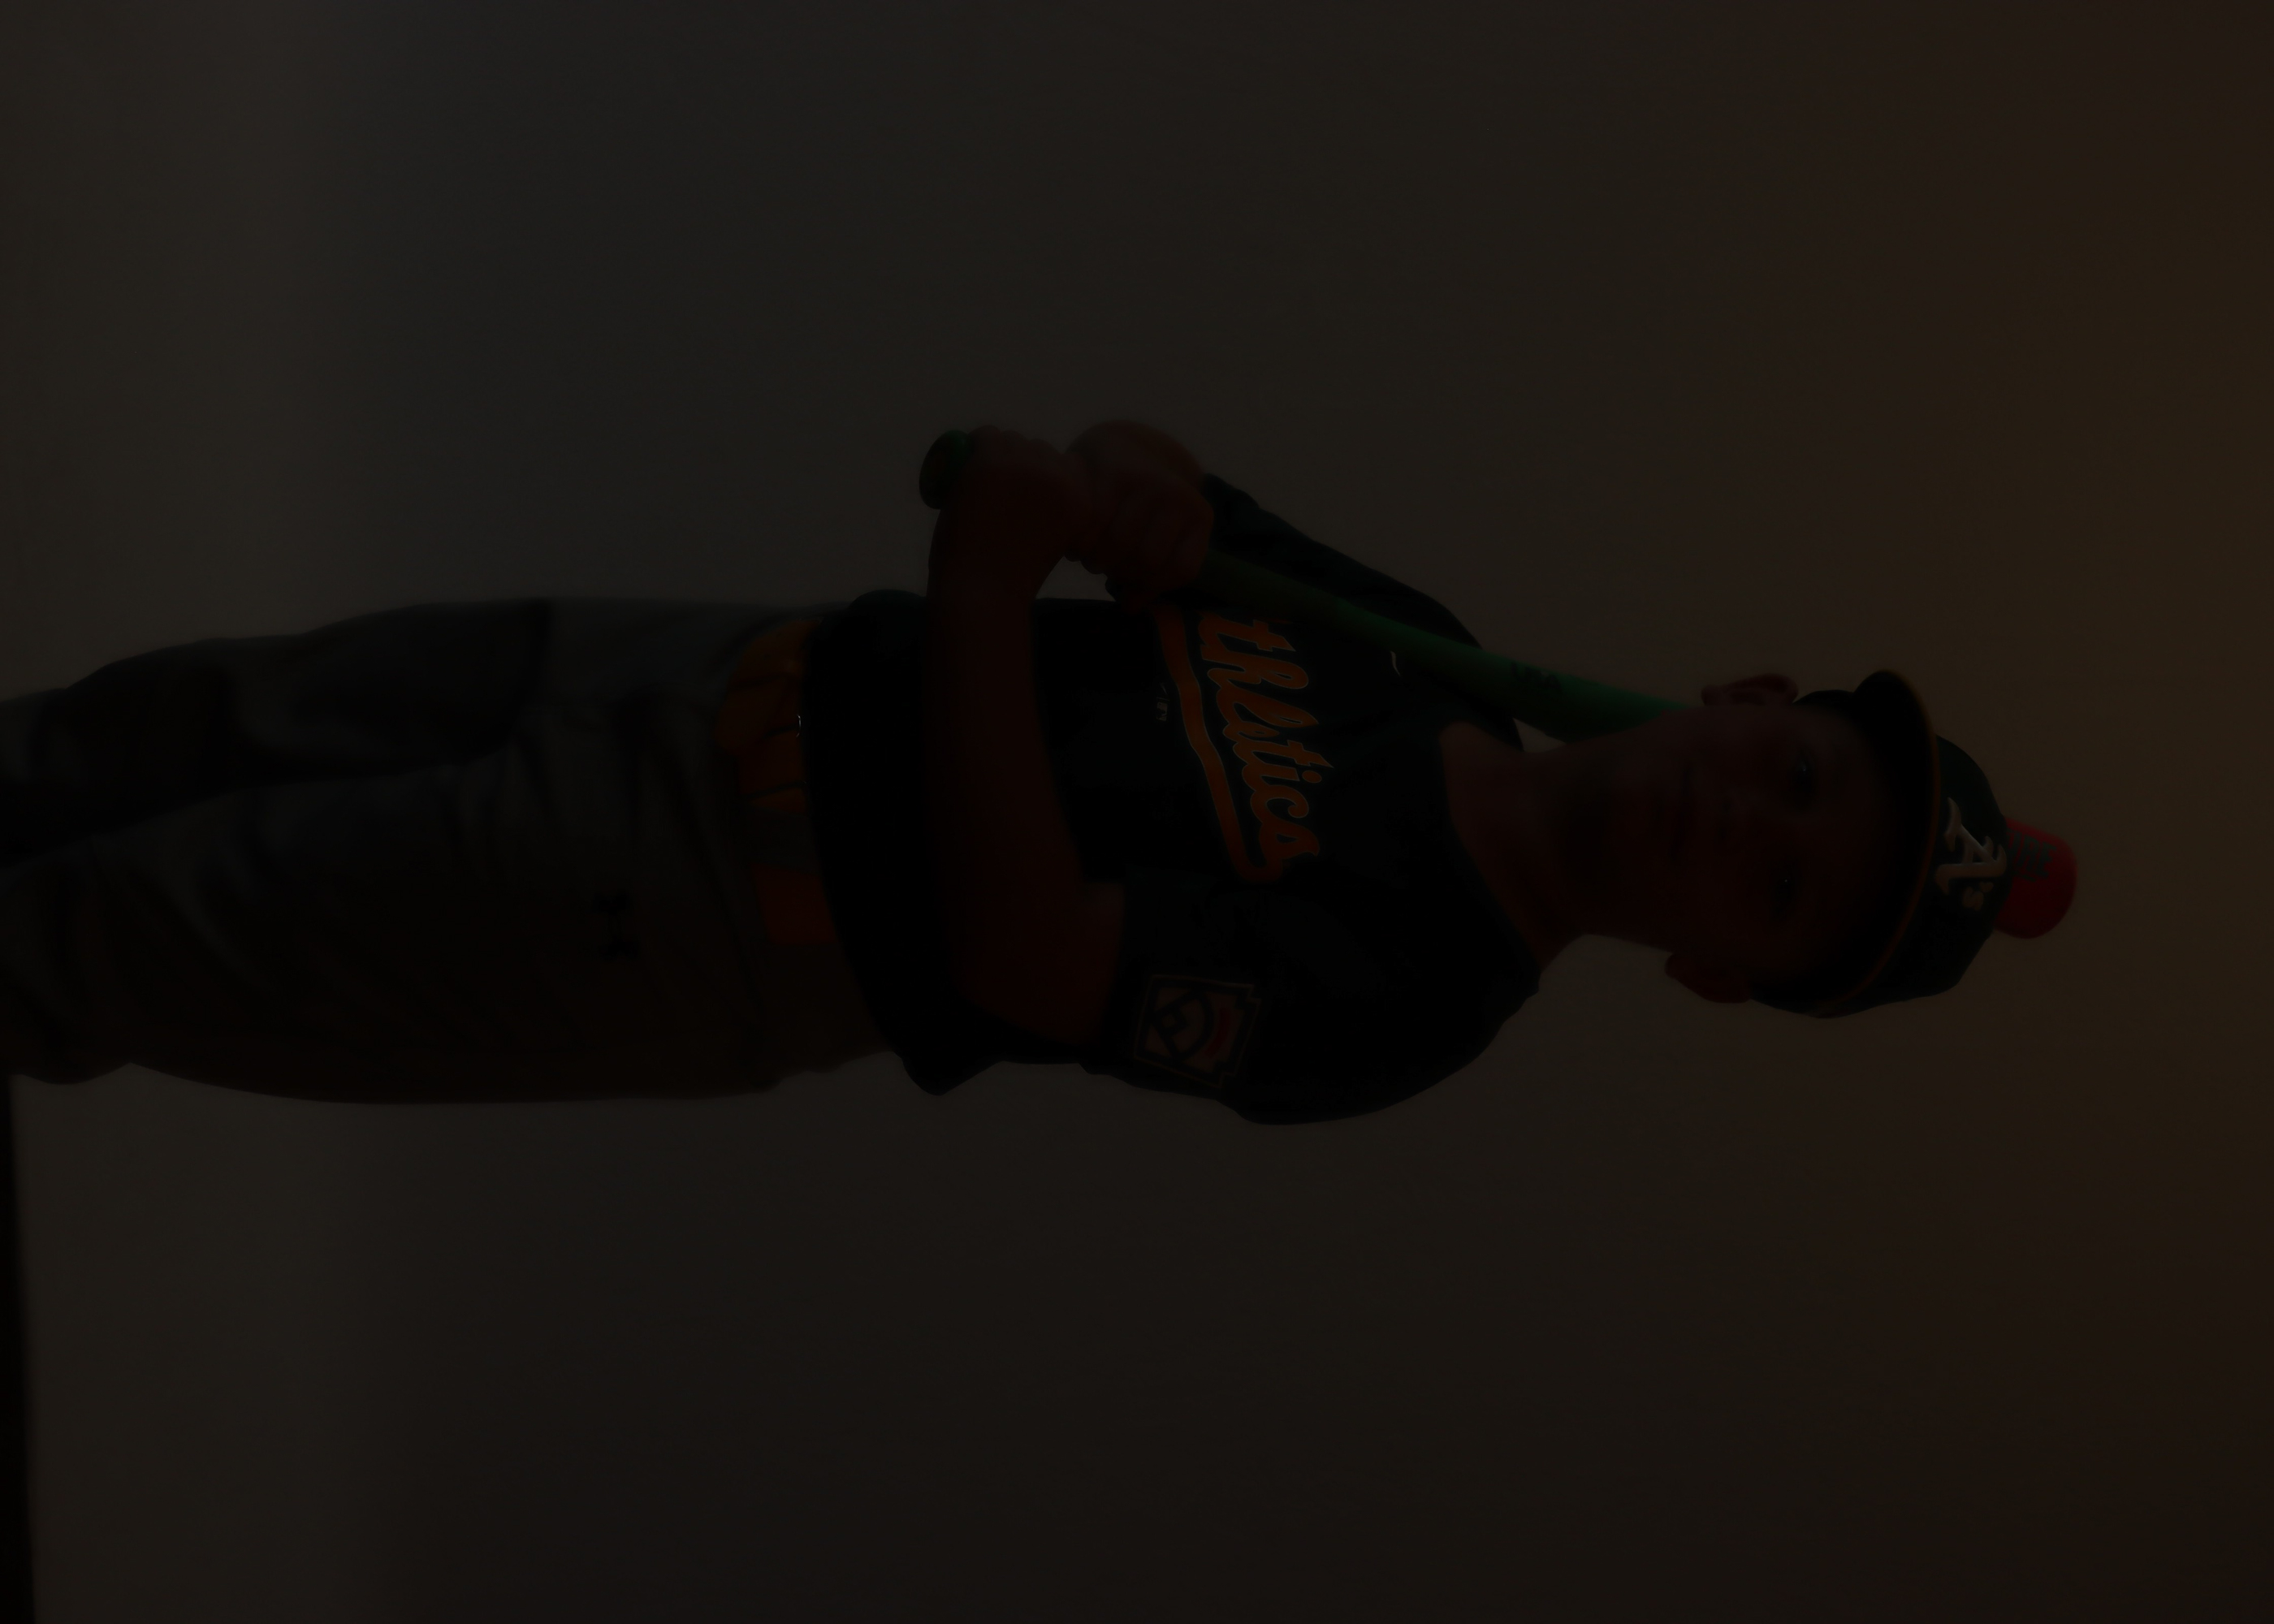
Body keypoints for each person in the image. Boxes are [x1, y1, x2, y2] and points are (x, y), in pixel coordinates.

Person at [0, 422, 2073, 1121]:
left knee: (103, 933)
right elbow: (1165, 501)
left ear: (1714, 971)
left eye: (1778, 890)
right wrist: (1132, 487)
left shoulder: (1416, 997)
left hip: (697, 908)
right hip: (709, 668)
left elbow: (1031, 956)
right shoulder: (1416, 644)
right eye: (1796, 774)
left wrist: (989, 579)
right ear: (1746, 691)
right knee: (137, 733)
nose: (1746, 821)